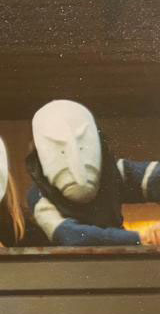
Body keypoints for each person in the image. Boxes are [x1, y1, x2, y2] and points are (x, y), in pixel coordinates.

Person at [27, 100, 160, 246]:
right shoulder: (40, 195)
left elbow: (155, 178)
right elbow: (70, 235)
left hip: (121, 255)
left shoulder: (113, 173)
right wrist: (139, 238)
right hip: (73, 260)